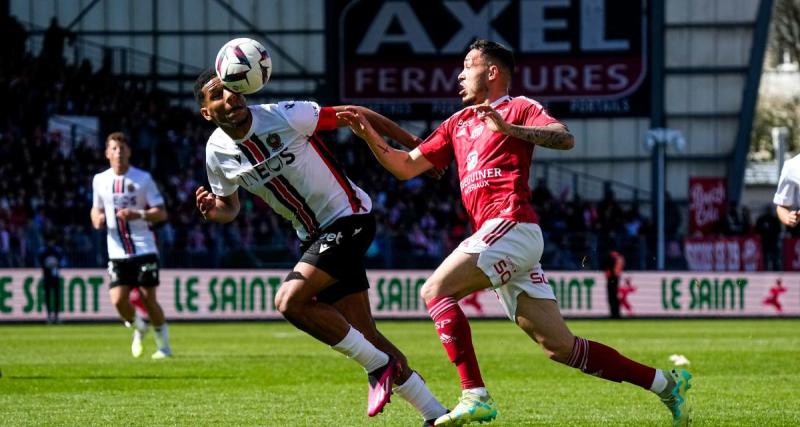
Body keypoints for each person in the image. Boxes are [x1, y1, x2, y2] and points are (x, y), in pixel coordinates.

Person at [339, 39, 692, 427]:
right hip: (501, 237)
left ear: (492, 72)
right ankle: (666, 384)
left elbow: (564, 137)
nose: (458, 74)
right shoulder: (456, 124)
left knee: (435, 291)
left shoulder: (518, 107)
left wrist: (510, 129)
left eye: (467, 65)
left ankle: (475, 394)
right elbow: (405, 167)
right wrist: (368, 134)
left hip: (513, 224)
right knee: (561, 347)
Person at [192, 68, 447, 425]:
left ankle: (379, 366)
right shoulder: (216, 153)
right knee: (366, 335)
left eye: (232, 90)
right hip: (314, 236)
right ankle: (436, 413)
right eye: (217, 95)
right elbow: (229, 207)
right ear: (206, 111)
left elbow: (357, 114)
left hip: (350, 217)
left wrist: (417, 148)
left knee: (289, 300)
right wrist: (211, 211)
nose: (229, 98)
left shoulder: (283, 115)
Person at [90, 132, 172, 359]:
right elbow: (95, 208)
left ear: (129, 152)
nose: (119, 153)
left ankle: (164, 346)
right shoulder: (99, 180)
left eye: (122, 148)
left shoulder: (143, 179)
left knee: (148, 298)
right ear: (107, 153)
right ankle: (139, 325)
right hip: (116, 251)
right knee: (118, 300)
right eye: (114, 149)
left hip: (144, 247)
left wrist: (138, 214)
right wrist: (96, 218)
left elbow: (161, 213)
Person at [38, 234, 64, 324]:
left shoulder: (57, 251)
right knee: (48, 297)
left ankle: (56, 316)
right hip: (47, 276)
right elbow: (40, 263)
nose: (50, 243)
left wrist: (56, 264)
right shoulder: (44, 251)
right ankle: (49, 316)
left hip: (55, 276)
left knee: (56, 297)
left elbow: (62, 262)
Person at [602, 247, 625, 319]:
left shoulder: (611, 257)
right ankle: (615, 313)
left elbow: (608, 269)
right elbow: (618, 269)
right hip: (614, 278)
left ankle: (614, 314)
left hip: (612, 278)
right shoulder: (618, 257)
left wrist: (609, 272)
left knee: (612, 297)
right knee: (613, 297)